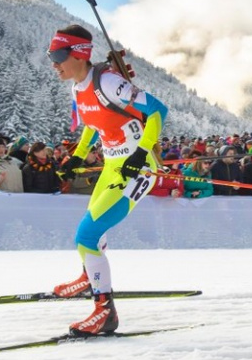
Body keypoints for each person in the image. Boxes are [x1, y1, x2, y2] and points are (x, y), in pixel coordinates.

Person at [48, 24, 168, 335]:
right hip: (113, 165)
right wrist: (78, 155)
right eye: (51, 55)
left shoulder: (109, 83)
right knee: (87, 233)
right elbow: (92, 123)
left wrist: (141, 155)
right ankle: (90, 275)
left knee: (87, 234)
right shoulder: (78, 87)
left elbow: (157, 111)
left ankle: (105, 312)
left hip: (137, 168)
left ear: (79, 54)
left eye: (59, 55)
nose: (54, 63)